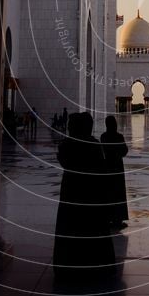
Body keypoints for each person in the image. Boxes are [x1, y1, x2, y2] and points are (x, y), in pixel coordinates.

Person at [53, 111, 115, 280]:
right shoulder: (93, 145)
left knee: (71, 226)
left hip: (72, 191)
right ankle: (95, 265)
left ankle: (69, 265)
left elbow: (64, 161)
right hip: (91, 193)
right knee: (92, 227)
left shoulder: (67, 145)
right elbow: (102, 170)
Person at [100, 115, 129, 229]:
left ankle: (108, 217)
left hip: (107, 165)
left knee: (108, 192)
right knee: (118, 192)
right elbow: (124, 150)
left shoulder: (103, 136)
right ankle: (118, 219)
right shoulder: (119, 136)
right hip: (117, 166)